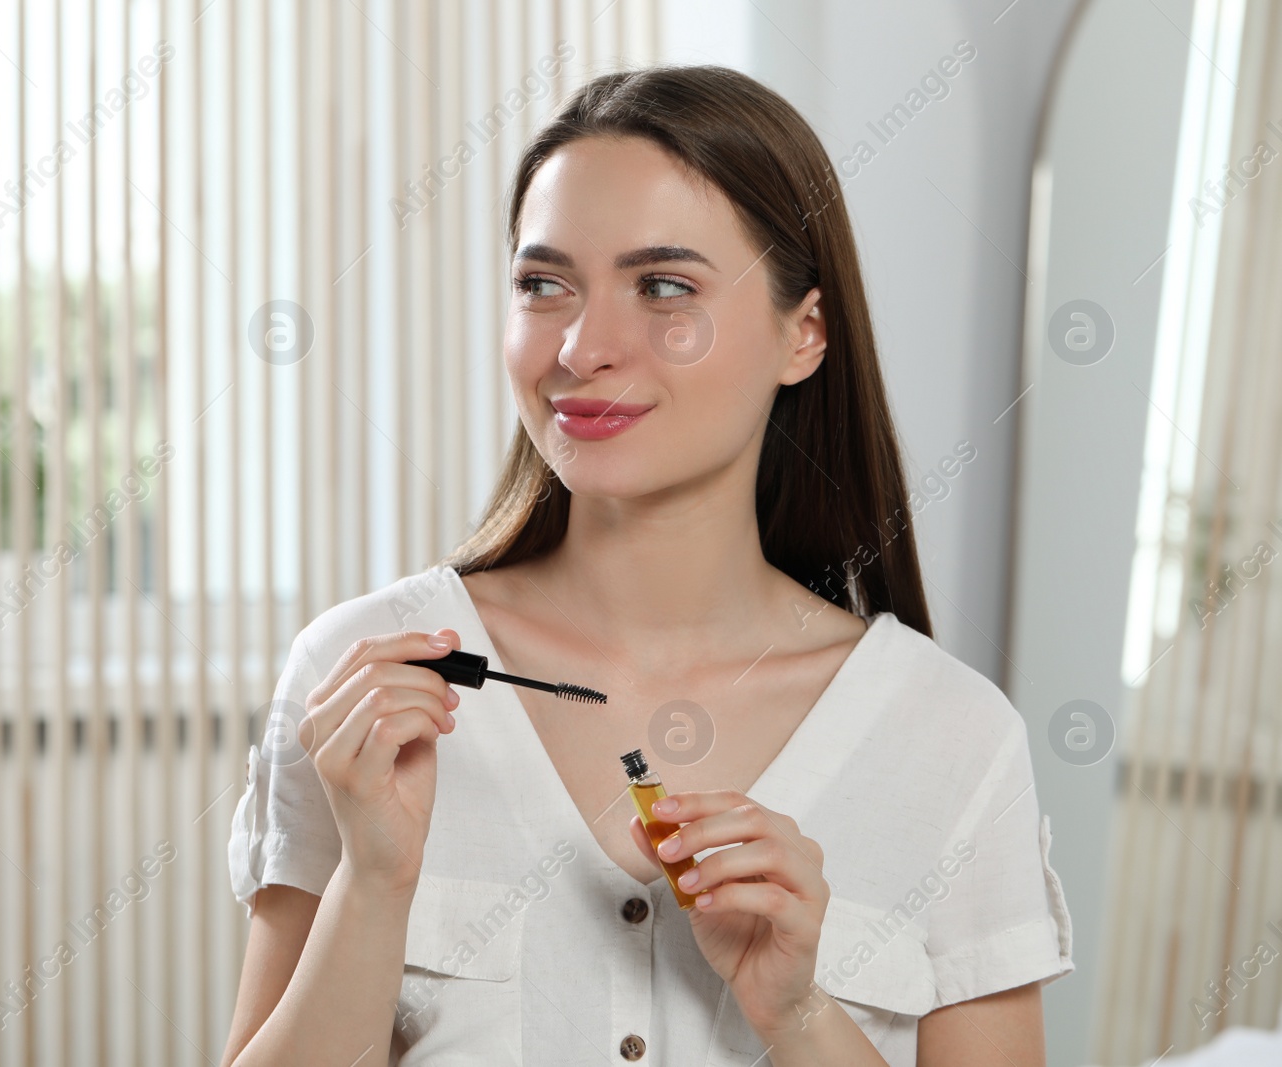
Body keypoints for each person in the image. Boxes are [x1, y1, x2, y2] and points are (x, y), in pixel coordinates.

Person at [221, 63, 1073, 1066]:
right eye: (544, 286)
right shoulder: (364, 677)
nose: (581, 346)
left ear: (804, 332)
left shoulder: (952, 740)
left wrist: (800, 1013)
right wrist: (371, 884)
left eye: (664, 286)